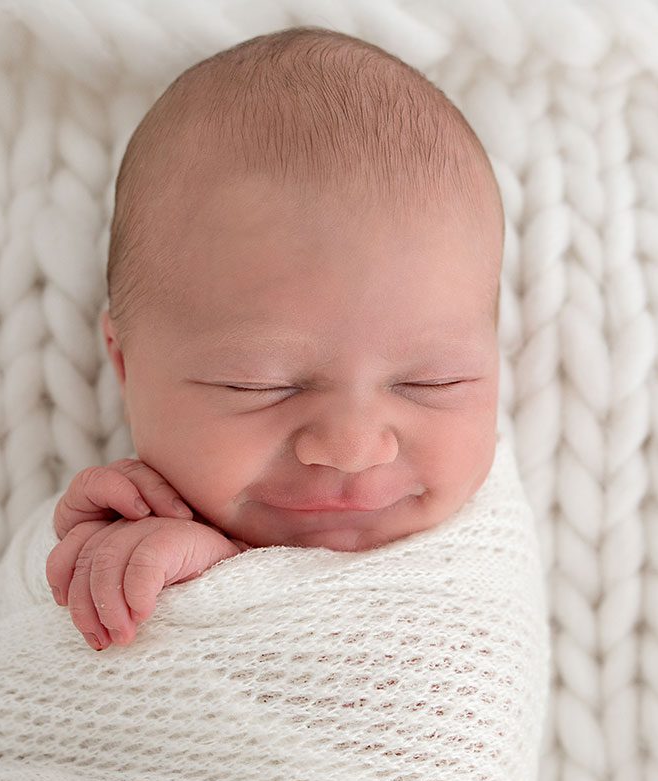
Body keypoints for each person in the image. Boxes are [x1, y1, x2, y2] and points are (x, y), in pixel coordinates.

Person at [45, 24, 506, 653]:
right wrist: (114, 578)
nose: (351, 448)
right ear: (125, 368)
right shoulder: (117, 532)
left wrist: (229, 574)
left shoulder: (484, 540)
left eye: (434, 382)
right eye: (260, 384)